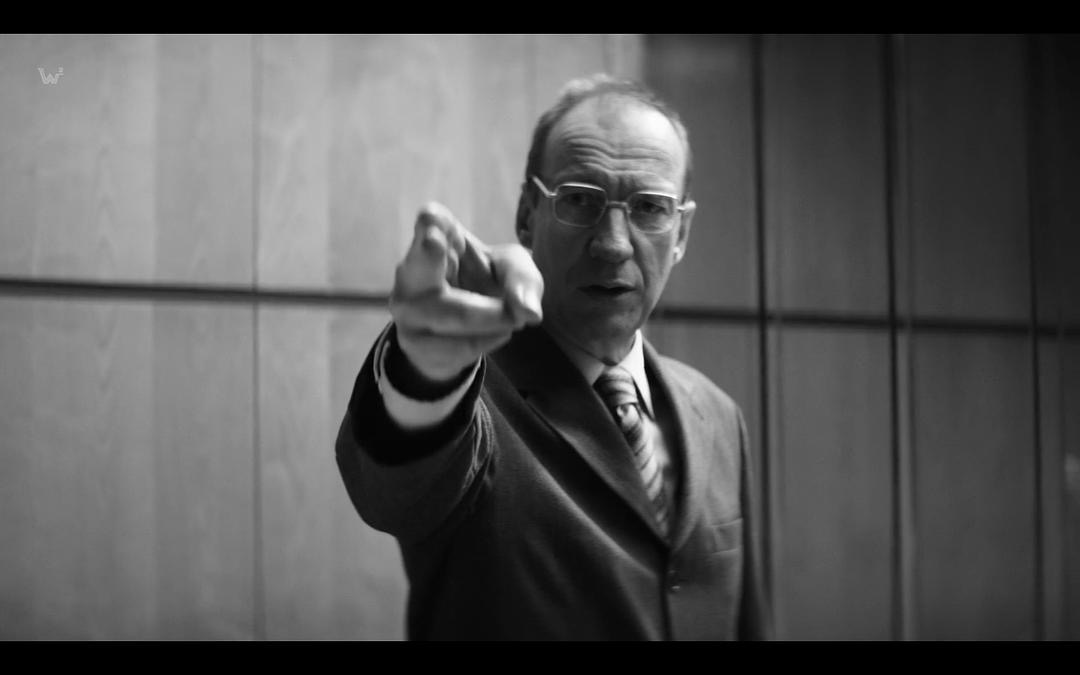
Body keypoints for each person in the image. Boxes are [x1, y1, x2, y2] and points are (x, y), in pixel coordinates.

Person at [335, 74, 771, 640]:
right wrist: (424, 370)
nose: (613, 243)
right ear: (527, 215)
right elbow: (391, 493)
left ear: (681, 232)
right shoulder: (474, 394)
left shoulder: (717, 414)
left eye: (650, 208)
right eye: (580, 200)